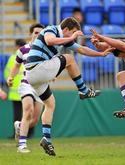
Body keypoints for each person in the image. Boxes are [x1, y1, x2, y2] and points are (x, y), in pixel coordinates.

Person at [25, 17, 113, 156]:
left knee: (50, 104)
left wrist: (101, 54)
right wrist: (72, 36)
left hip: (34, 76)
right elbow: (49, 40)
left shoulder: (63, 37)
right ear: (65, 29)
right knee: (69, 59)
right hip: (36, 69)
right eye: (71, 32)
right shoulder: (51, 29)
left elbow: (82, 49)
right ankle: (83, 91)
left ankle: (46, 139)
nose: (72, 37)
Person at [7, 23, 45, 153]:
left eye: (41, 33)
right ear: (30, 34)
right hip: (26, 84)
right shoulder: (23, 49)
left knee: (34, 120)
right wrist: (11, 77)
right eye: (36, 32)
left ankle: (19, 126)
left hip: (41, 86)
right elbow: (16, 66)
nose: (38, 35)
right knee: (27, 111)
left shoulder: (47, 50)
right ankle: (22, 145)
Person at [4, 39, 26, 138]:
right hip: (26, 89)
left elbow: (6, 73)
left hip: (15, 91)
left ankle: (16, 134)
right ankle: (28, 133)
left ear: (17, 46)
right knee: (28, 112)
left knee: (17, 115)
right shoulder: (28, 56)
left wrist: (9, 81)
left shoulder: (13, 58)